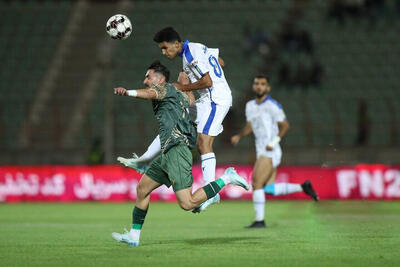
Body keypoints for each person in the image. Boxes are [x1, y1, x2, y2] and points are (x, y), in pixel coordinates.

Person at [111, 61, 249, 246]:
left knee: (188, 203)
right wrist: (185, 85)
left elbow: (150, 93)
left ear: (159, 79)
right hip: (168, 152)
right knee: (142, 189)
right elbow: (190, 100)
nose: (145, 80)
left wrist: (128, 92)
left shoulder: (163, 89)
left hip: (177, 151)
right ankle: (134, 236)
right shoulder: (177, 94)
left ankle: (226, 178)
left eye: (148, 76)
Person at [119, 27, 233, 213]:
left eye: (165, 48)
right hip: (207, 99)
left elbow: (208, 82)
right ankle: (145, 159)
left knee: (204, 143)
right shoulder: (197, 48)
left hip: (216, 98)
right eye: (161, 49)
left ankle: (212, 190)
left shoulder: (190, 54)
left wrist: (184, 86)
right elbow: (220, 61)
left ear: (176, 44)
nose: (164, 52)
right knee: (176, 119)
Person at [231, 75, 318, 228]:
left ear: (268, 88)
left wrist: (274, 142)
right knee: (268, 189)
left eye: (262, 84)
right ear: (253, 86)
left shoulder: (273, 105)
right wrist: (239, 135)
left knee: (256, 183)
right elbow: (250, 126)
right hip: (261, 150)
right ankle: (303, 187)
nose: (259, 86)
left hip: (270, 150)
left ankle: (260, 220)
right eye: (256, 83)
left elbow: (285, 125)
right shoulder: (250, 105)